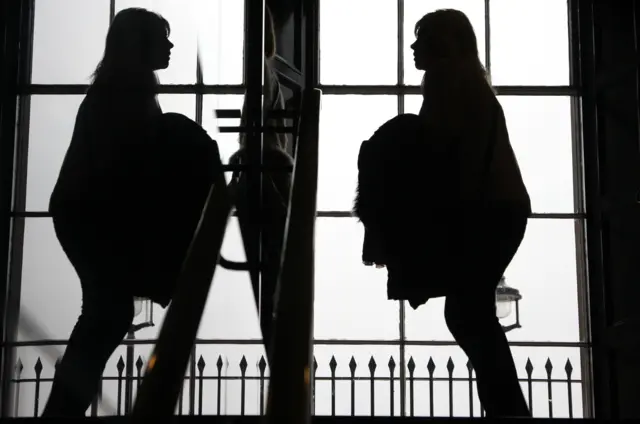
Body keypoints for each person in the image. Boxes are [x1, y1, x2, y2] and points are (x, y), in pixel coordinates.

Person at [43, 8, 221, 417]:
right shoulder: (126, 93)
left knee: (106, 314)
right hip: (90, 218)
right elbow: (130, 168)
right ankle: (63, 410)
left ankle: (64, 408)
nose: (171, 46)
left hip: (85, 217)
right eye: (163, 38)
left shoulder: (120, 88)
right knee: (106, 315)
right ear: (139, 44)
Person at [355, 9, 532, 418]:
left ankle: (509, 411)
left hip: (490, 211)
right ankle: (508, 410)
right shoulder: (463, 84)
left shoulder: (450, 86)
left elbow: (455, 168)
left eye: (423, 39)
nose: (414, 47)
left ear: (446, 45)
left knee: (467, 314)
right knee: (469, 314)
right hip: (499, 211)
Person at [229, 5, 293, 355]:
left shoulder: (259, 78)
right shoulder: (270, 76)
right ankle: (285, 361)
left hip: (264, 175)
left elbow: (254, 134)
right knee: (274, 278)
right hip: (274, 173)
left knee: (265, 280)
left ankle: (279, 356)